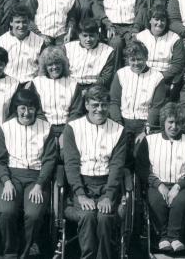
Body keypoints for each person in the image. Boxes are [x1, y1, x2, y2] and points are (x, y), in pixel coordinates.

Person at [61, 85, 127, 259]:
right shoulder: (73, 128)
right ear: (87, 105)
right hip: (82, 184)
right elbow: (71, 164)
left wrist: (109, 195)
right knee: (88, 216)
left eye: (104, 105)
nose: (100, 109)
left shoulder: (119, 130)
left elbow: (117, 165)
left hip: (107, 184)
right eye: (95, 105)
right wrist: (81, 194)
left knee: (105, 217)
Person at [0, 88, 58, 258]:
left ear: (36, 109)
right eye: (22, 108)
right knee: (6, 212)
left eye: (31, 108)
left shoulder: (46, 128)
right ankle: (10, 252)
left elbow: (49, 160)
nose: (27, 113)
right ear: (16, 109)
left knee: (34, 215)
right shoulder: (6, 128)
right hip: (11, 177)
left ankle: (25, 252)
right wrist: (6, 181)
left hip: (36, 178)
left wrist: (40, 184)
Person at [136, 103, 185, 252]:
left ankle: (174, 237)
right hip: (157, 183)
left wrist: (178, 186)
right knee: (156, 200)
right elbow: (142, 168)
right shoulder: (150, 140)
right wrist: (159, 185)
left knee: (180, 201)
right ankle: (163, 237)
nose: (174, 126)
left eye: (178, 123)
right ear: (164, 122)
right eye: (170, 122)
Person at [108, 41, 166, 137]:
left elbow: (157, 106)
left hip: (144, 123)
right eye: (133, 60)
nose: (136, 63)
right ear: (128, 59)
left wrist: (148, 128)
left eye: (139, 59)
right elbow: (114, 101)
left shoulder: (157, 76)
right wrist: (118, 123)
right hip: (123, 120)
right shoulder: (121, 74)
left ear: (146, 58)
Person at [29, 46, 84, 135]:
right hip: (43, 128)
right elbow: (36, 110)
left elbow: (76, 111)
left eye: (57, 63)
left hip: (68, 128)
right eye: (50, 64)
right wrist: (46, 130)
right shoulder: (36, 83)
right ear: (45, 66)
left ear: (63, 64)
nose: (54, 67)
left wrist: (67, 131)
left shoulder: (73, 83)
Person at [0, 4, 45, 83]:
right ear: (11, 23)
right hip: (7, 83)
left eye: (24, 22)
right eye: (17, 22)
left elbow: (43, 68)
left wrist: (34, 83)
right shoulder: (1, 42)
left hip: (30, 84)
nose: (21, 26)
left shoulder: (40, 42)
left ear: (29, 22)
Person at [64, 18, 117, 89]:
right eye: (85, 36)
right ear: (79, 35)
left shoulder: (108, 51)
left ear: (98, 35)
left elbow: (105, 78)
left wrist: (90, 90)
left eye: (92, 36)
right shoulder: (68, 47)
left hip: (95, 88)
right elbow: (63, 71)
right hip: (71, 86)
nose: (88, 40)